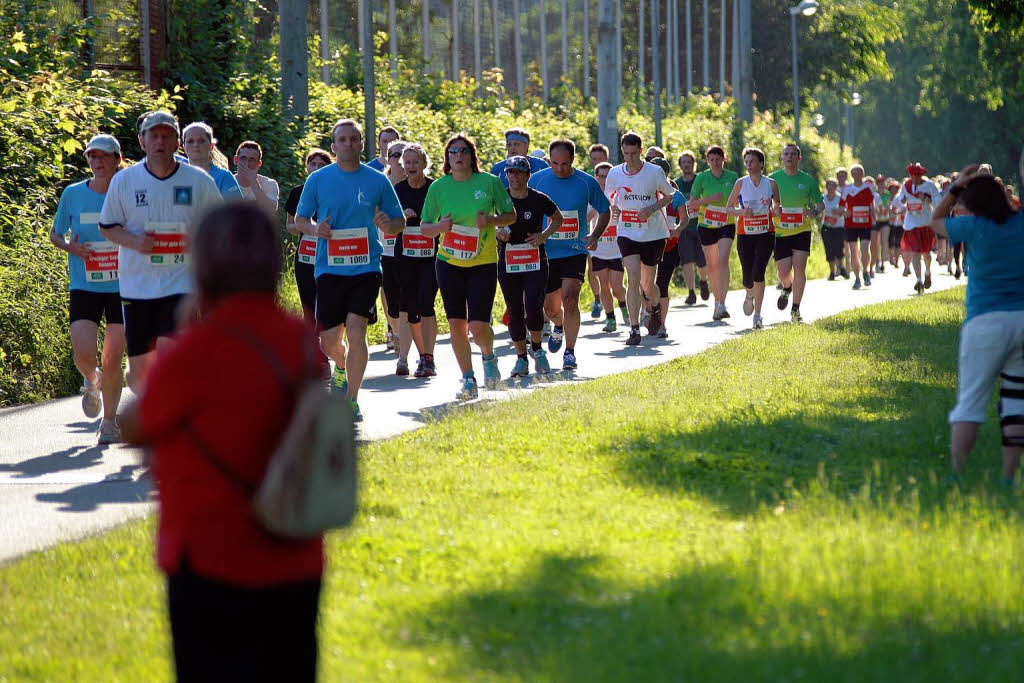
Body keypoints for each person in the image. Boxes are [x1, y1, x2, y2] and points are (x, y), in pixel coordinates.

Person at [122, 202, 327, 683]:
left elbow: (134, 424)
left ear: (203, 264)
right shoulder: (300, 341)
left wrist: (186, 324)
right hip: (292, 550)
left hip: (208, 555)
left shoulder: (197, 349)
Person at [98, 111, 221, 393]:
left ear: (177, 142)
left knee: (170, 354)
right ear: (142, 141)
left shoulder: (198, 180)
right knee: (140, 376)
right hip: (137, 286)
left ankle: (174, 421)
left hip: (182, 284)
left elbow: (221, 224)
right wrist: (134, 241)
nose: (160, 142)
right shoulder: (124, 181)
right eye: (154, 136)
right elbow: (107, 227)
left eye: (167, 136)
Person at [294, 119, 406, 420]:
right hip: (328, 269)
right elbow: (301, 220)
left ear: (361, 144)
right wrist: (317, 229)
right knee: (329, 341)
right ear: (334, 146)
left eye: (354, 139)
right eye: (342, 140)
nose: (348, 144)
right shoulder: (318, 180)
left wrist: (388, 224)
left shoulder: (377, 180)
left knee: (357, 332)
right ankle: (341, 367)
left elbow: (399, 221)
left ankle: (352, 400)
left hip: (366, 267)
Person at [930, 165, 1024, 484]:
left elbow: (935, 219)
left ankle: (956, 475)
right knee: (1015, 400)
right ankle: (1008, 478)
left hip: (985, 321)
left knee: (971, 401)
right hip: (1022, 320)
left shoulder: (972, 228)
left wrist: (956, 186)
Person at [419, 133, 517, 399]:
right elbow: (425, 227)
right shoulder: (439, 187)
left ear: (472, 156)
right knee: (456, 325)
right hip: (448, 262)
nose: (458, 156)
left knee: (477, 324)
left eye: (463, 151)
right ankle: (468, 379)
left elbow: (511, 215)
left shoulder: (489, 182)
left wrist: (492, 221)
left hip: (482, 263)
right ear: (447, 158)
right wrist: (440, 227)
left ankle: (488, 356)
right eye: (453, 152)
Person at [50, 134, 126, 444]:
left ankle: (108, 423)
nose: (98, 162)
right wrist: (72, 248)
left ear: (116, 159)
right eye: (93, 157)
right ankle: (91, 381)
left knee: (112, 356)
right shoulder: (72, 193)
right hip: (85, 284)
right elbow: (56, 234)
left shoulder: (127, 193)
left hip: (123, 285)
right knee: (83, 354)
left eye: (104, 156)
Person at [528, 139, 610, 370]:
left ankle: (570, 352)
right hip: (546, 251)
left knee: (571, 299)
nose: (559, 169)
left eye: (564, 164)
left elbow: (605, 210)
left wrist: (594, 236)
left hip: (574, 250)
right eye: (554, 163)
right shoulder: (538, 180)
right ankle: (558, 325)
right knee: (551, 308)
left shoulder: (586, 182)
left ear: (572, 160)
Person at [602, 131, 676, 345]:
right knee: (632, 277)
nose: (630, 158)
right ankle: (634, 330)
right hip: (627, 231)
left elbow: (670, 195)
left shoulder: (654, 172)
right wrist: (614, 208)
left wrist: (652, 207)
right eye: (626, 154)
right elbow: (609, 197)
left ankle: (653, 307)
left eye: (634, 154)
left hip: (652, 234)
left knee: (647, 283)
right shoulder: (615, 173)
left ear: (641, 151)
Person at [498, 155, 562, 376]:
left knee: (534, 305)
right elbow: (488, 223)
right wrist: (499, 233)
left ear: (527, 175)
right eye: (510, 172)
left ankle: (537, 349)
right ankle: (521, 358)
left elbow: (558, 218)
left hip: (534, 260)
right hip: (508, 261)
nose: (513, 176)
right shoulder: (501, 200)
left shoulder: (538, 198)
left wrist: (543, 236)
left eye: (517, 172)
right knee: (514, 309)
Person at [393, 142, 440, 378]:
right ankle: (422, 356)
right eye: (407, 162)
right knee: (411, 308)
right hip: (406, 257)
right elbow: (387, 222)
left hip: (431, 257)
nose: (411, 166)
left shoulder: (435, 188)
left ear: (424, 164)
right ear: (403, 165)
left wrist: (430, 222)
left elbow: (446, 217)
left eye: (416, 162)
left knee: (426, 303)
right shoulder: (397, 190)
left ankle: (429, 357)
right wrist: (401, 218)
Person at [725, 147, 780, 330]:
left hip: (766, 233)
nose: (748, 165)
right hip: (745, 234)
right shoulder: (741, 183)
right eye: (746, 162)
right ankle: (749, 293)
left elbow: (776, 206)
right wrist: (742, 212)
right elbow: (729, 208)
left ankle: (757, 315)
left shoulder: (771, 184)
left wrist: (777, 210)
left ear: (761, 164)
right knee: (748, 277)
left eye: (752, 162)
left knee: (759, 272)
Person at [768, 143, 823, 323]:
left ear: (799, 158)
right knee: (783, 270)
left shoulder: (808, 180)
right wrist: (772, 209)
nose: (789, 157)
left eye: (793, 154)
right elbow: (764, 201)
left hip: (802, 230)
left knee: (799, 266)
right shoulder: (772, 179)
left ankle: (795, 308)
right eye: (786, 154)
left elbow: (820, 204)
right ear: (782, 158)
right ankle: (787, 287)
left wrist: (813, 212)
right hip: (781, 231)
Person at [686, 145, 739, 321]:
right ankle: (717, 303)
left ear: (724, 159)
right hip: (707, 225)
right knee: (713, 265)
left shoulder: (732, 177)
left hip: (726, 223)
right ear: (707, 161)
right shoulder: (701, 178)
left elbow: (740, 200)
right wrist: (709, 199)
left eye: (718, 159)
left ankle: (722, 303)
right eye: (712, 160)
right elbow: (692, 204)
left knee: (723, 260)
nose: (715, 163)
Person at [285, 149, 333, 321]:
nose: (317, 167)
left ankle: (330, 341)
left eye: (321, 165)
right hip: (305, 254)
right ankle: (312, 343)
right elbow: (290, 225)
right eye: (313, 164)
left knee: (329, 301)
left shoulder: (335, 192)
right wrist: (303, 227)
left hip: (332, 252)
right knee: (308, 301)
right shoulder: (297, 192)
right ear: (307, 166)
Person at [588, 161, 630, 332]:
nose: (605, 179)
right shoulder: (591, 197)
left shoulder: (619, 196)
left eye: (608, 176)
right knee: (604, 285)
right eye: (601, 176)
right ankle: (610, 319)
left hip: (616, 249)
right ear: (596, 177)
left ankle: (625, 307)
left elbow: (628, 217)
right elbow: (586, 218)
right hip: (598, 249)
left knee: (617, 285)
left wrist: (618, 211)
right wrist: (601, 208)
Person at [380, 139, 410, 368]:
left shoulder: (416, 185)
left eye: (403, 154)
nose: (399, 159)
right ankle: (398, 336)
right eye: (394, 155)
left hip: (413, 252)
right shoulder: (382, 184)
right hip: (386, 251)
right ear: (388, 159)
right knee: (392, 302)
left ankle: (408, 348)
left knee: (411, 301)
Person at [894, 162, 940, 294]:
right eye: (911, 175)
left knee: (926, 253)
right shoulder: (906, 185)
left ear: (921, 176)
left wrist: (927, 198)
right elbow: (900, 199)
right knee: (915, 252)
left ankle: (927, 272)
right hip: (911, 224)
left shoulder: (929, 186)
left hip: (925, 223)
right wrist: (900, 202)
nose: (913, 178)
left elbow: (938, 201)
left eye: (916, 176)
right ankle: (919, 280)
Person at [673, 150, 710, 305]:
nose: (687, 165)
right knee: (687, 261)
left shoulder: (700, 180)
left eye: (689, 162)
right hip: (684, 227)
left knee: (702, 261)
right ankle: (691, 292)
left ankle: (703, 281)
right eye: (684, 162)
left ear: (694, 164)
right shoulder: (676, 183)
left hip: (701, 225)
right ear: (680, 165)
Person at [181, 122, 241, 198]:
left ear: (211, 146)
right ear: (184, 147)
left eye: (201, 141)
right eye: (190, 141)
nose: (195, 145)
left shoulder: (224, 177)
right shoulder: (178, 178)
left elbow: (236, 209)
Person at [840, 164, 875, 290]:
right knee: (854, 251)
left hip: (865, 223)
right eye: (854, 173)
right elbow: (841, 207)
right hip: (851, 224)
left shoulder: (869, 187)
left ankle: (865, 271)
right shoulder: (847, 189)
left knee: (865, 248)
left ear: (862, 174)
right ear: (851, 175)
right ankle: (857, 278)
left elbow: (872, 204)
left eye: (858, 173)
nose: (856, 175)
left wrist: (874, 217)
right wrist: (845, 212)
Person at [586, 143, 611, 318]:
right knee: (592, 268)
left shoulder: (613, 178)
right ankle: (597, 299)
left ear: (606, 160)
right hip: (593, 235)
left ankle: (613, 299)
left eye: (600, 159)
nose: (597, 161)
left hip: (615, 237)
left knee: (614, 273)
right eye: (594, 159)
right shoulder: (588, 182)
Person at [234, 141, 279, 215]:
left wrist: (253, 181)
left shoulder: (269, 184)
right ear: (236, 160)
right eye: (243, 158)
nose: (247, 163)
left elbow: (271, 209)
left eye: (251, 160)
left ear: (259, 164)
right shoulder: (226, 182)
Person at [821, 178, 847, 280]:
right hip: (827, 227)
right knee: (829, 249)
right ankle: (832, 272)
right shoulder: (822, 198)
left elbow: (846, 212)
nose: (830, 187)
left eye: (832, 185)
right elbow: (818, 210)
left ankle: (841, 266)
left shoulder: (840, 198)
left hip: (839, 227)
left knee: (839, 249)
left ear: (836, 187)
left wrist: (840, 211)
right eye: (828, 185)